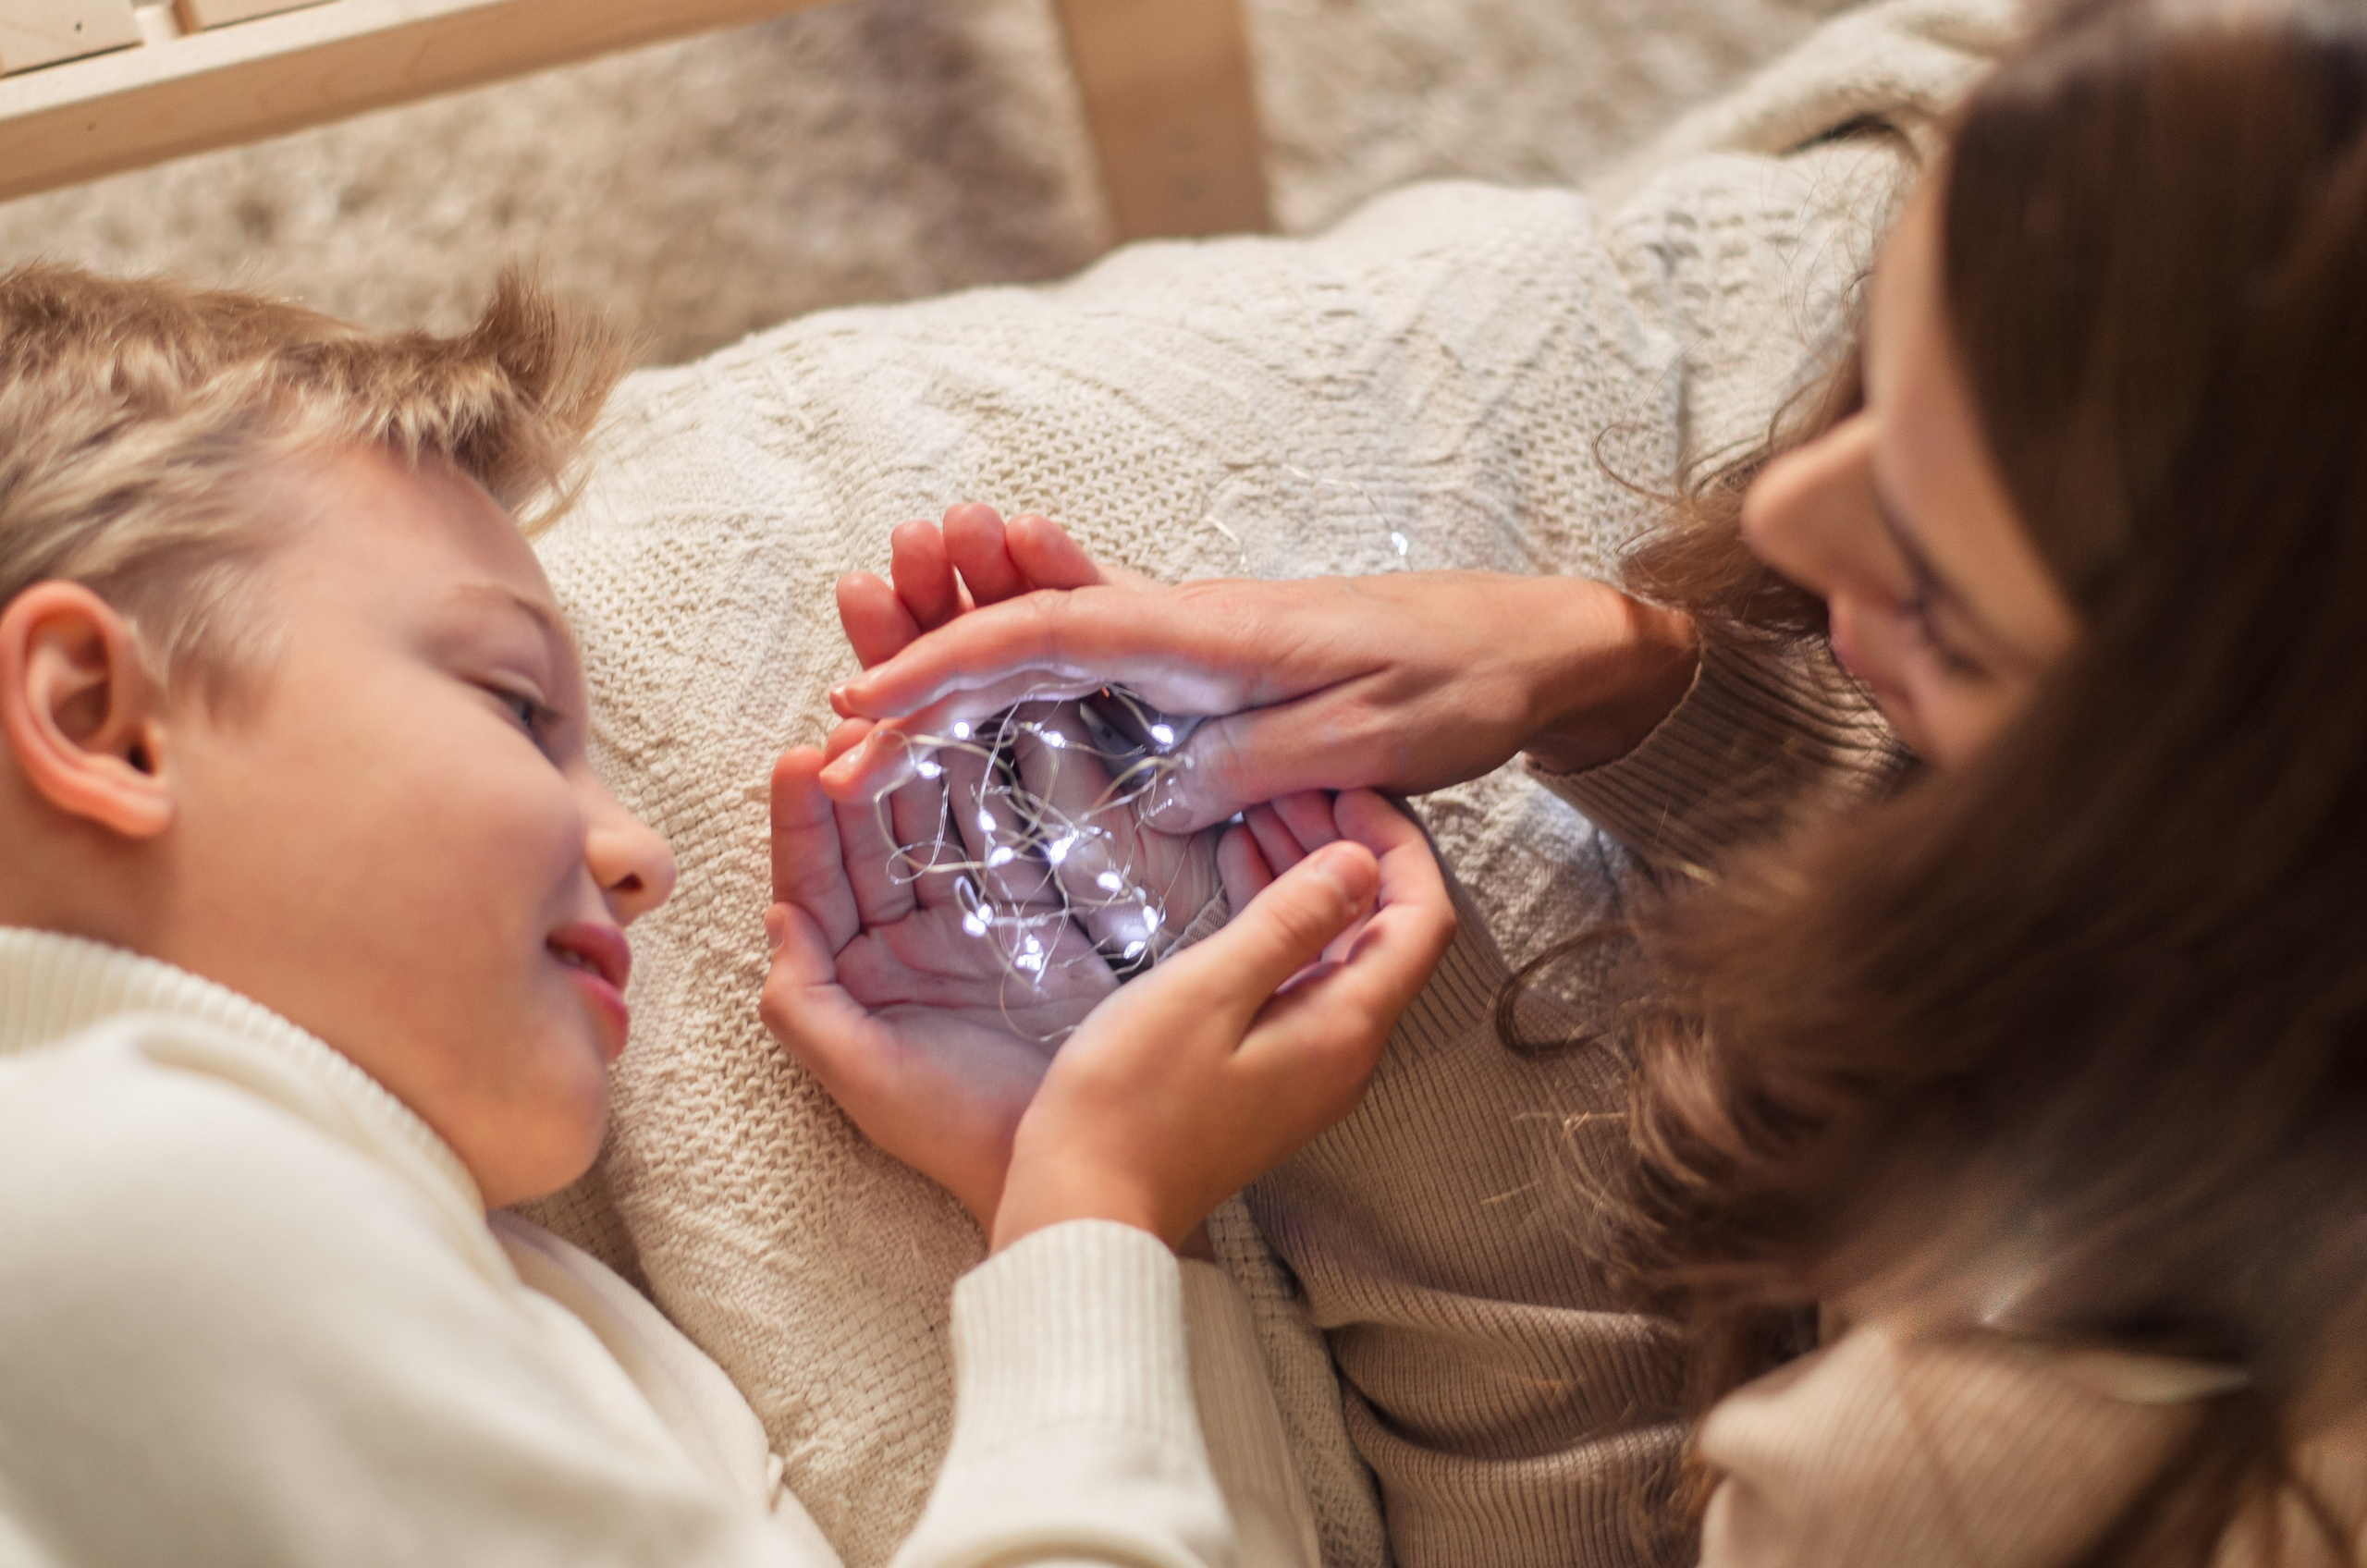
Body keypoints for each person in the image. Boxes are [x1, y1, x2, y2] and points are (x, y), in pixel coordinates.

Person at [808, 0, 2367, 1558]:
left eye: (1947, 606)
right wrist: (1628, 680)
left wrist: (1104, 1210)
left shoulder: (1982, 1460)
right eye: (1875, 372)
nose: (1787, 529)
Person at [0, 263, 1456, 1565]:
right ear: (96, 717)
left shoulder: (452, 1271)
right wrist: (1097, 1209)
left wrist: (1069, 1210)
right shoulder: (138, 1192)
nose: (641, 854)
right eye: (517, 709)